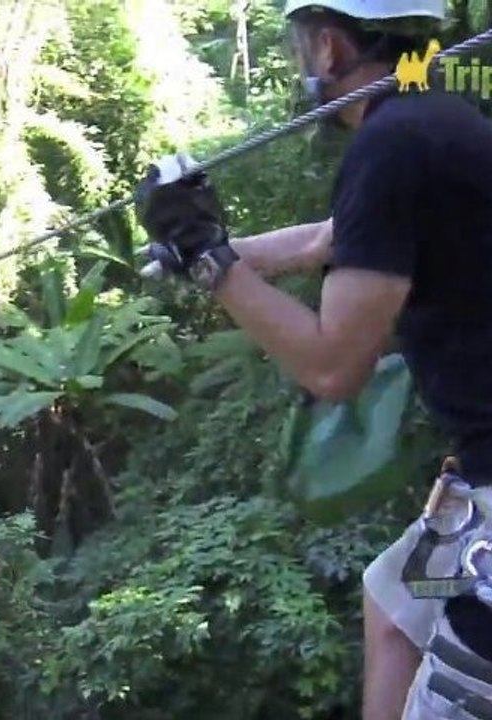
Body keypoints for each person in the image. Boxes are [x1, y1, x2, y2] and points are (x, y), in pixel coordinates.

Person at [134, 1, 492, 718]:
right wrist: (201, 251)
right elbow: (330, 240)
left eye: (303, 46)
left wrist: (210, 260)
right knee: (392, 602)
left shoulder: (389, 145)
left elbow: (333, 367)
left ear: (329, 48)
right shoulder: (442, 115)